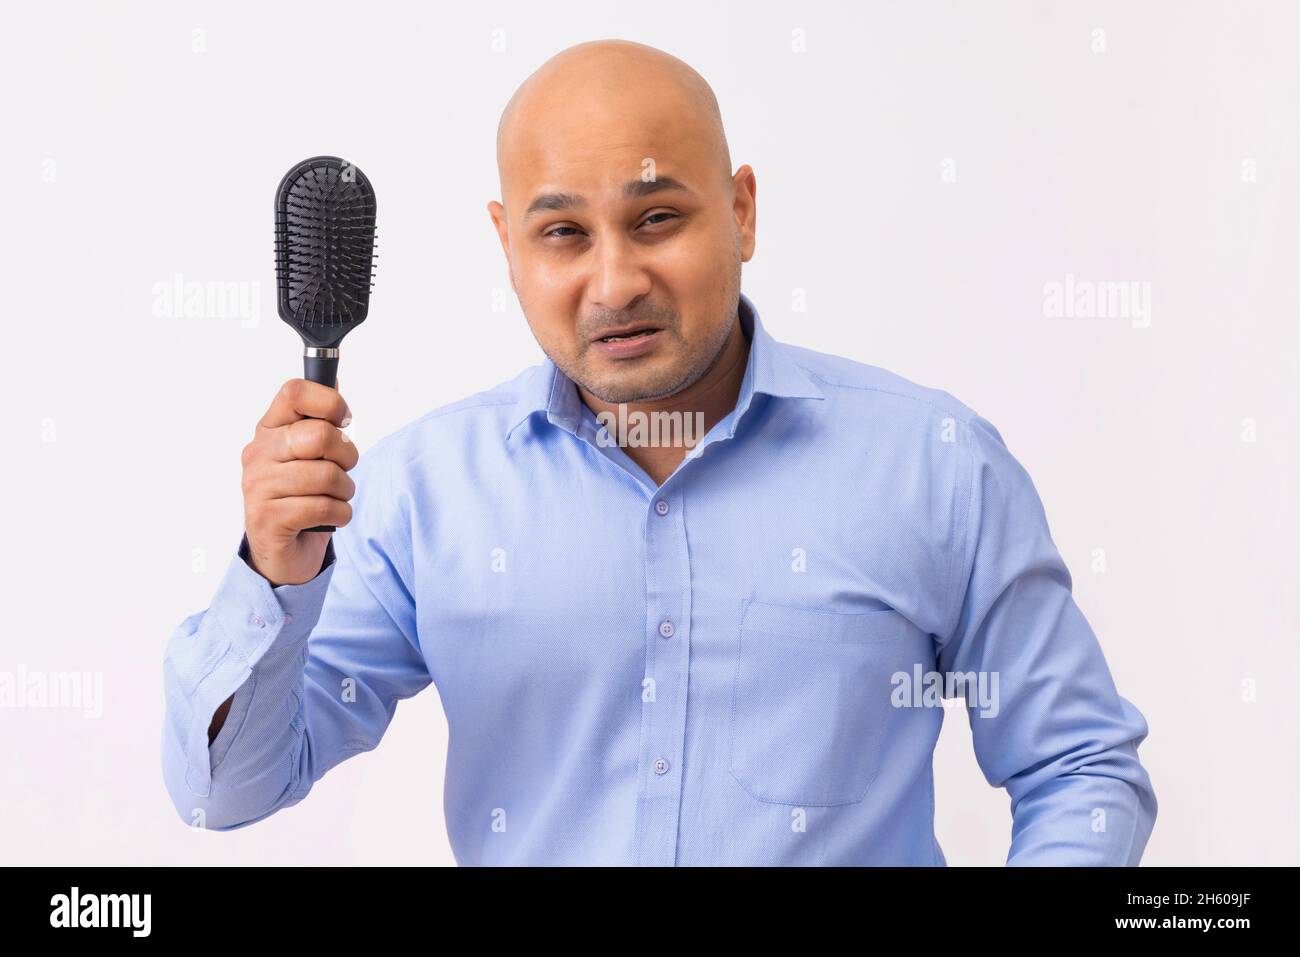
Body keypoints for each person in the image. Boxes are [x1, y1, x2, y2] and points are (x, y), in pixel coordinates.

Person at [161, 39, 1157, 865]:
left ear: (743, 212)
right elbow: (231, 793)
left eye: (657, 219)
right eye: (563, 233)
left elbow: (1077, 768)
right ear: (508, 244)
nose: (614, 280)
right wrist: (273, 578)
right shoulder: (422, 495)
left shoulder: (932, 465)